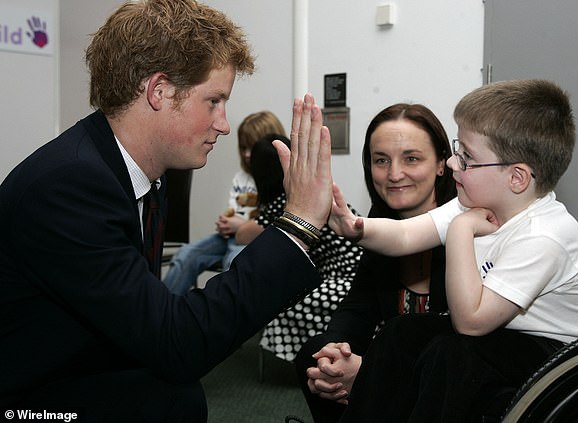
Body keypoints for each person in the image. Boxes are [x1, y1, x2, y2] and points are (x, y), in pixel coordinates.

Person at [0, 1, 333, 422]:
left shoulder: (136, 175)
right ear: (158, 91)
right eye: (214, 101)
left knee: (175, 397)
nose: (224, 124)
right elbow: (178, 344)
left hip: (77, 370)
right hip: (25, 401)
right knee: (174, 399)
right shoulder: (69, 186)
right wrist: (298, 224)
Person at [328, 79, 578, 422]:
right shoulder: (474, 201)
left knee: (451, 355)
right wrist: (352, 227)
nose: (452, 165)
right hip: (508, 339)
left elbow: (470, 322)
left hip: (564, 359)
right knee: (400, 334)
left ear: (517, 178)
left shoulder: (544, 235)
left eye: (468, 158)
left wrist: (461, 231)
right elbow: (403, 236)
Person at [292, 103, 456, 423]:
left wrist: (370, 373)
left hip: (448, 378)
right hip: (401, 370)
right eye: (381, 160)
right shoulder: (378, 227)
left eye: (411, 158)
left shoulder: (469, 226)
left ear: (441, 164)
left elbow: (455, 349)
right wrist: (335, 354)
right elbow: (358, 306)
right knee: (315, 357)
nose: (394, 174)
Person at [235, 134, 364, 365]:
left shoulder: (287, 201)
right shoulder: (304, 191)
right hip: (351, 270)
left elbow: (243, 235)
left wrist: (235, 225)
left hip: (348, 277)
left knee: (282, 299)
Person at [162, 110, 286, 295]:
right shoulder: (241, 178)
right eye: (243, 148)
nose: (246, 154)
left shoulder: (280, 181)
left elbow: (278, 225)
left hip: (255, 240)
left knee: (234, 262)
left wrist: (241, 225)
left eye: (252, 148)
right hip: (232, 236)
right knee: (186, 255)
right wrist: (227, 222)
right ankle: (163, 312)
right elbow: (234, 210)